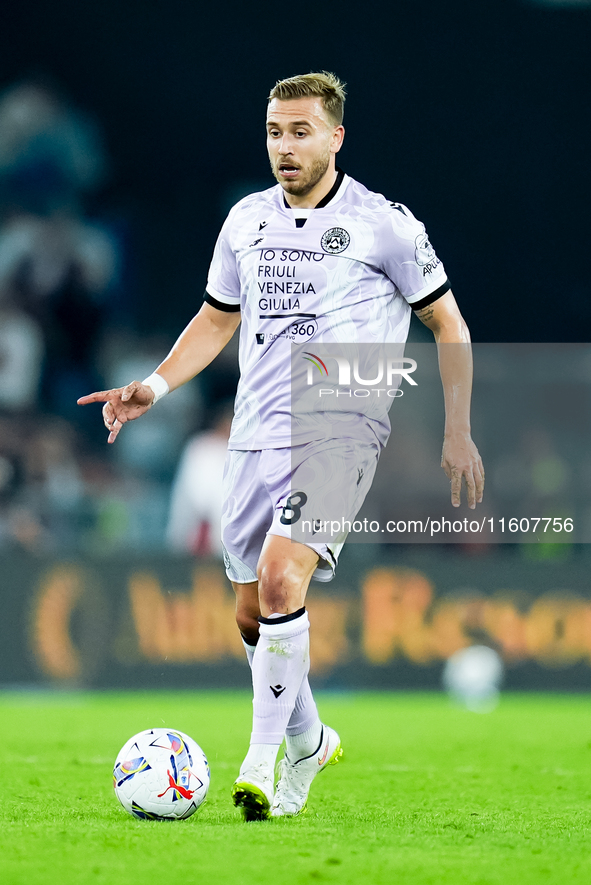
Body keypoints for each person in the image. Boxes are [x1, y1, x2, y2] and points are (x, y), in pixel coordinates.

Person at [78, 72, 484, 821]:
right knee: (249, 615)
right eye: (274, 132)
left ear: (335, 136)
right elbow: (214, 318)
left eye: (300, 132)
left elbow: (448, 325)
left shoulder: (384, 225)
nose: (284, 147)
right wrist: (155, 386)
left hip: (341, 424)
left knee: (277, 578)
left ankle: (262, 761)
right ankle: (308, 736)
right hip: (254, 430)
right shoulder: (244, 220)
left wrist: (456, 428)